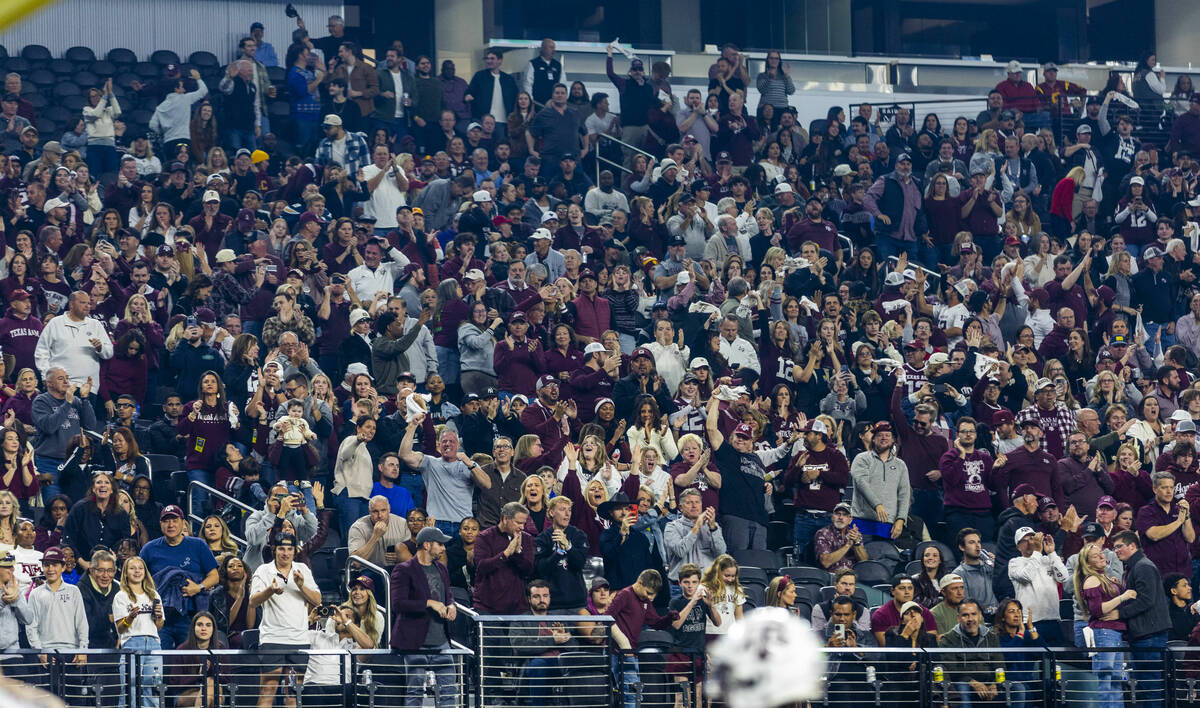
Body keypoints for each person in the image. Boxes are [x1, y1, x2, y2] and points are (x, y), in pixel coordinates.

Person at [248, 533, 321, 708]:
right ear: (274, 550)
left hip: (299, 639)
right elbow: (252, 601)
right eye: (281, 548)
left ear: (295, 551)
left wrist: (301, 585)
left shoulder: (302, 568)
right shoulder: (264, 570)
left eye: (289, 549)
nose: (285, 553)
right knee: (267, 690)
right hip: (273, 638)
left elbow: (317, 600)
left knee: (293, 694)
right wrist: (270, 590)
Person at [389, 526, 458, 707]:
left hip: (441, 641)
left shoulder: (441, 568)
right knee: (415, 692)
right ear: (427, 545)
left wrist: (452, 605)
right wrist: (428, 603)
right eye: (440, 544)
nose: (443, 548)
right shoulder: (403, 570)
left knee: (449, 691)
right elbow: (398, 604)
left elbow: (447, 594)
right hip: (414, 642)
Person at [139, 505, 220, 648]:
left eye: (174, 520)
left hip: (190, 615)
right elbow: (138, 579)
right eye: (166, 521)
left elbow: (214, 576)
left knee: (189, 659)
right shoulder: (149, 549)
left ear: (183, 523)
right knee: (160, 658)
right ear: (160, 524)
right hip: (158, 615)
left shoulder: (198, 545)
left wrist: (198, 587)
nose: (170, 525)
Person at [1112, 530, 1171, 707]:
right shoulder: (1134, 567)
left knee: (1150, 685)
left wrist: (1118, 614)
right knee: (1146, 686)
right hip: (1144, 635)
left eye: (1119, 546)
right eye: (1114, 547)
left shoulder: (1143, 566)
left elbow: (1146, 600)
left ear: (1132, 546)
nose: (1116, 551)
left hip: (1149, 635)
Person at [608, 569, 678, 708]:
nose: (651, 597)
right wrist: (622, 643)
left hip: (631, 653)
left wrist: (669, 618)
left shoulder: (645, 600)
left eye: (654, 594)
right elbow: (607, 617)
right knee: (631, 692)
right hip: (618, 654)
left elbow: (656, 623)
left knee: (633, 692)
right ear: (639, 583)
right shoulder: (624, 595)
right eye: (649, 593)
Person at [26, 546, 88, 700]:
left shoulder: (74, 591)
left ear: (63, 566)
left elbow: (82, 622)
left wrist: (83, 649)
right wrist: (40, 651)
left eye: (54, 564)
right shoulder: (35, 594)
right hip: (47, 655)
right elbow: (31, 625)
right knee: (48, 701)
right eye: (47, 565)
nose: (50, 568)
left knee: (75, 700)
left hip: (72, 654)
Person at [112, 555, 165, 708]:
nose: (137, 571)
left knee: (152, 688)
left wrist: (159, 616)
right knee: (130, 688)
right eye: (132, 568)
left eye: (140, 568)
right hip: (132, 642)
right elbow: (120, 628)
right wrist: (130, 617)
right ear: (126, 573)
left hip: (154, 643)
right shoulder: (121, 596)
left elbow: (159, 626)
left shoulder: (154, 595)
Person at [849, 421, 911, 541]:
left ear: (893, 440)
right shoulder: (862, 458)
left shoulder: (900, 465)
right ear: (873, 439)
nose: (883, 438)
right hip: (862, 520)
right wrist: (877, 505)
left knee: (885, 558)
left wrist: (901, 519)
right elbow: (861, 483)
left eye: (887, 435)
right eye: (879, 435)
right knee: (861, 558)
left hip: (888, 523)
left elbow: (904, 494)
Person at [937, 599, 1005, 705]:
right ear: (958, 618)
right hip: (964, 683)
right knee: (962, 687)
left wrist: (995, 683)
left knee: (1018, 689)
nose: (970, 619)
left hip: (989, 683)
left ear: (980, 616)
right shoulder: (948, 639)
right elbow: (951, 670)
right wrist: (971, 682)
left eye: (974, 614)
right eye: (965, 615)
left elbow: (999, 664)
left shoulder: (991, 637)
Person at [1008, 526, 1068, 645]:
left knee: (1057, 662)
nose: (1031, 542)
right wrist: (1037, 552)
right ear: (1018, 546)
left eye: (1033, 538)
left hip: (1053, 620)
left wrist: (1052, 553)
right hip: (1030, 622)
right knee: (1035, 660)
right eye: (1026, 540)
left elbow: (1064, 577)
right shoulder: (1015, 563)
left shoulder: (1047, 559)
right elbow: (1027, 576)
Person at [472, 501, 533, 613]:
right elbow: (481, 567)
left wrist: (518, 553)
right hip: (488, 607)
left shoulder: (526, 538)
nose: (522, 527)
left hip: (517, 608)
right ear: (505, 519)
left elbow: (528, 571)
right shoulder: (484, 537)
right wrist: (506, 553)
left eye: (524, 523)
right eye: (518, 523)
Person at [533, 495, 589, 611]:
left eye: (569, 510)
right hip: (553, 604)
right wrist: (558, 553)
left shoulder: (579, 535)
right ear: (552, 513)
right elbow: (541, 569)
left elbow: (580, 564)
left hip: (577, 602)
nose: (567, 514)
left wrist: (568, 546)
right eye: (562, 509)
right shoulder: (542, 539)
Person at [663, 488, 725, 582]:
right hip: (680, 585)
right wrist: (697, 526)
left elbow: (720, 552)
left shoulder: (713, 526)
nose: (694, 506)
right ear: (680, 507)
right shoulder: (671, 527)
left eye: (697, 502)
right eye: (689, 503)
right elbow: (680, 551)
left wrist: (713, 528)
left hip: (707, 583)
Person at [347, 494, 413, 569]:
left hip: (397, 570)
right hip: (367, 571)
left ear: (389, 510)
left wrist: (401, 557)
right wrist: (375, 536)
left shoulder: (403, 524)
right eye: (375, 511)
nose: (380, 516)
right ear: (369, 512)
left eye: (383, 510)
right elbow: (356, 563)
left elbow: (413, 559)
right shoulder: (358, 527)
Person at [813, 501, 867, 573]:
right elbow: (825, 562)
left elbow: (864, 562)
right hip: (831, 576)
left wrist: (856, 543)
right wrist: (848, 545)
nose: (841, 517)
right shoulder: (823, 534)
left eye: (845, 515)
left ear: (850, 520)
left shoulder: (855, 534)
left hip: (852, 577)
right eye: (838, 514)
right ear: (832, 517)